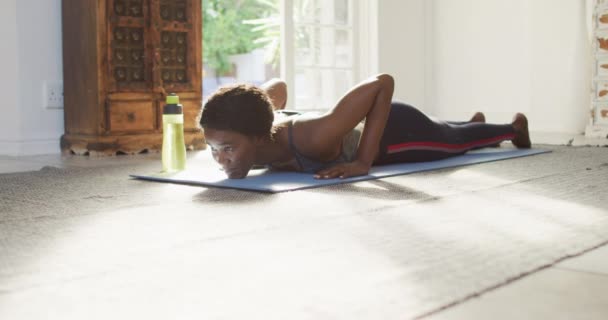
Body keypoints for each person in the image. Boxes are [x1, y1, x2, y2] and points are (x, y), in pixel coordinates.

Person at [199, 74, 531, 179]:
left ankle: (512, 128)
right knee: (449, 130)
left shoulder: (313, 137)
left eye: (227, 149)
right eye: (213, 149)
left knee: (453, 142)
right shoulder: (254, 131)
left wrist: (362, 163)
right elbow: (278, 85)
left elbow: (382, 83)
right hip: (364, 122)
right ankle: (469, 124)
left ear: (258, 137)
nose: (221, 160)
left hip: (395, 132)